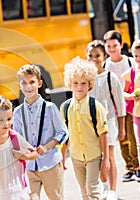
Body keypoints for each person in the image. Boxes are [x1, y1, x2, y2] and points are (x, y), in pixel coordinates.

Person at [13, 64, 69, 200]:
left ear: (39, 83)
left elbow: (63, 132)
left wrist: (46, 147)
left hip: (50, 163)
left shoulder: (50, 108)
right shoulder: (18, 112)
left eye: (32, 82)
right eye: (24, 83)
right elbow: (16, 139)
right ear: (19, 85)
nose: (28, 86)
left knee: (56, 197)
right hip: (29, 167)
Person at [60, 57, 110, 200]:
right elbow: (65, 136)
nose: (79, 87)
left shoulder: (96, 106)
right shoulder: (65, 107)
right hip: (76, 157)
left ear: (90, 84)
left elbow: (104, 133)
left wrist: (106, 159)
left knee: (92, 190)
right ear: (70, 84)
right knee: (83, 192)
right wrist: (63, 158)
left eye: (83, 83)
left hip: (93, 156)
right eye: (75, 83)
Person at [0, 95, 38, 200]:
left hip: (17, 193)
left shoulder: (14, 138)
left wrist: (25, 156)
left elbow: (35, 153)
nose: (6, 124)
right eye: (1, 120)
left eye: (9, 119)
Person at [87, 40, 126, 199]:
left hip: (109, 122)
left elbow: (120, 104)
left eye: (97, 55)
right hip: (91, 124)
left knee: (109, 156)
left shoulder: (110, 77)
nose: (94, 58)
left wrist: (122, 128)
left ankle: (112, 190)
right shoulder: (86, 79)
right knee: (96, 158)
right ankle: (103, 186)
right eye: (90, 55)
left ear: (104, 57)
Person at [104, 30, 139, 182]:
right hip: (113, 105)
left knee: (132, 135)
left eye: (115, 45)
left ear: (121, 45)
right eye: (109, 46)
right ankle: (129, 166)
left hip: (130, 104)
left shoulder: (130, 61)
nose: (112, 49)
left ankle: (136, 165)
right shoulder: (106, 65)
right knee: (121, 137)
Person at [122, 39, 140, 182]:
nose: (138, 59)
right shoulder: (131, 72)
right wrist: (131, 96)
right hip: (137, 113)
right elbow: (122, 92)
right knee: (138, 142)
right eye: (136, 56)